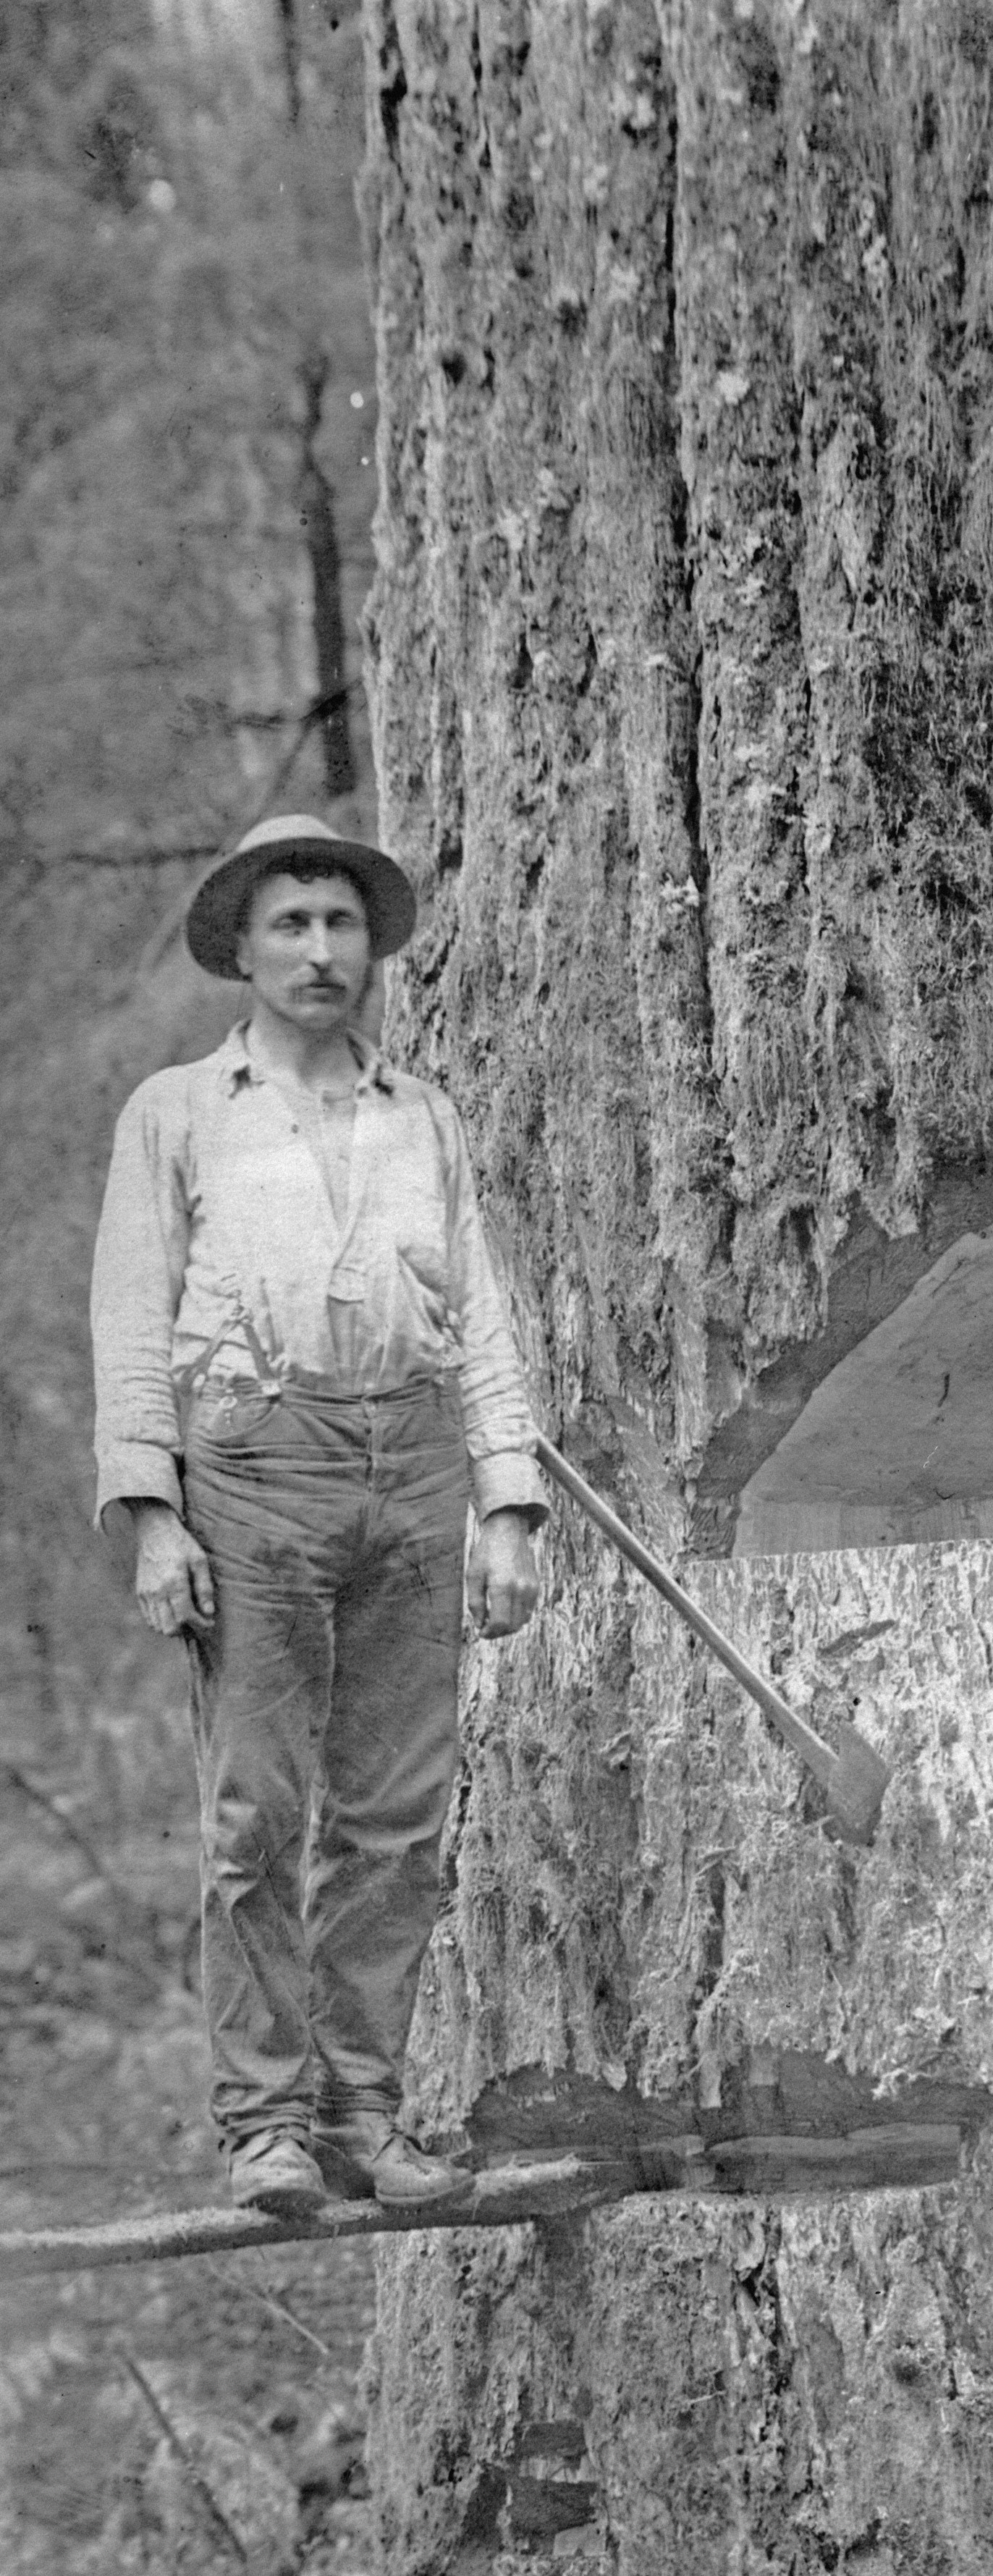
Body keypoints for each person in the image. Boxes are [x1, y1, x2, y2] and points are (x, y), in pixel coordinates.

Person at [90, 814, 545, 2216]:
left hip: (410, 1470)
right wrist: (153, 1514)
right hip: (252, 1472)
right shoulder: (180, 1111)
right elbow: (130, 1316)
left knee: (395, 1822)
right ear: (243, 947)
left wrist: (507, 1502)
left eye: (341, 924)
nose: (320, 950)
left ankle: (362, 2114)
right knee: (256, 1816)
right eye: (290, 924)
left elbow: (478, 1310)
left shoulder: (423, 1115)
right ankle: (265, 2128)